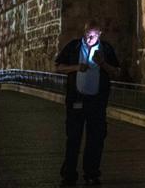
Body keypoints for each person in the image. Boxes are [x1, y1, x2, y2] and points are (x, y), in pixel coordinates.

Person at [55, 21, 121, 186]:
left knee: (96, 139)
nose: (88, 38)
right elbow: (58, 67)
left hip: (97, 102)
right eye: (86, 34)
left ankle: (91, 173)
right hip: (76, 100)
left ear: (99, 34)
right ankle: (69, 174)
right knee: (73, 139)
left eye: (92, 35)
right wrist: (76, 67)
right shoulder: (74, 47)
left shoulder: (106, 49)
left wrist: (103, 64)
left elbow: (117, 72)